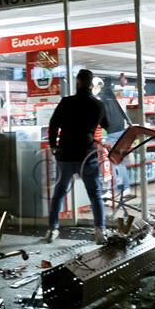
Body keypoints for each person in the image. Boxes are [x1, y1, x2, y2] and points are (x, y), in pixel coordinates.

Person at [45, 69, 110, 244]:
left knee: (59, 193)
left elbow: (53, 124)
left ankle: (52, 229)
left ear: (77, 83)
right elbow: (107, 124)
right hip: (87, 155)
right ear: (91, 85)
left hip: (65, 153)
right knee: (95, 194)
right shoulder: (98, 104)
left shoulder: (66, 102)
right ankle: (100, 231)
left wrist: (53, 145)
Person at [98, 74, 132, 196]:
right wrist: (129, 122)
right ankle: (116, 189)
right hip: (121, 130)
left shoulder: (101, 99)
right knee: (117, 163)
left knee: (116, 163)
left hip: (113, 133)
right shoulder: (110, 96)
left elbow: (101, 116)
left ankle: (120, 188)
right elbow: (120, 110)